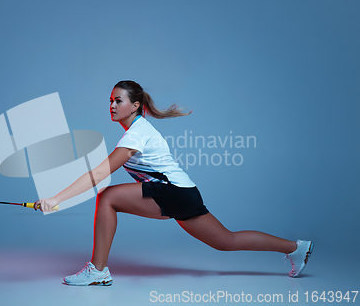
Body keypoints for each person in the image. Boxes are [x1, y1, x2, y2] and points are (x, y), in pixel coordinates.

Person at [34, 80, 314, 286]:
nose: (112, 105)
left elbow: (98, 174)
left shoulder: (136, 134)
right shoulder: (137, 131)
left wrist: (56, 199)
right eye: (110, 100)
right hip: (183, 193)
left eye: (118, 100)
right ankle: (295, 247)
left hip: (174, 192)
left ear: (135, 106)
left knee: (107, 197)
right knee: (226, 240)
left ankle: (98, 269)